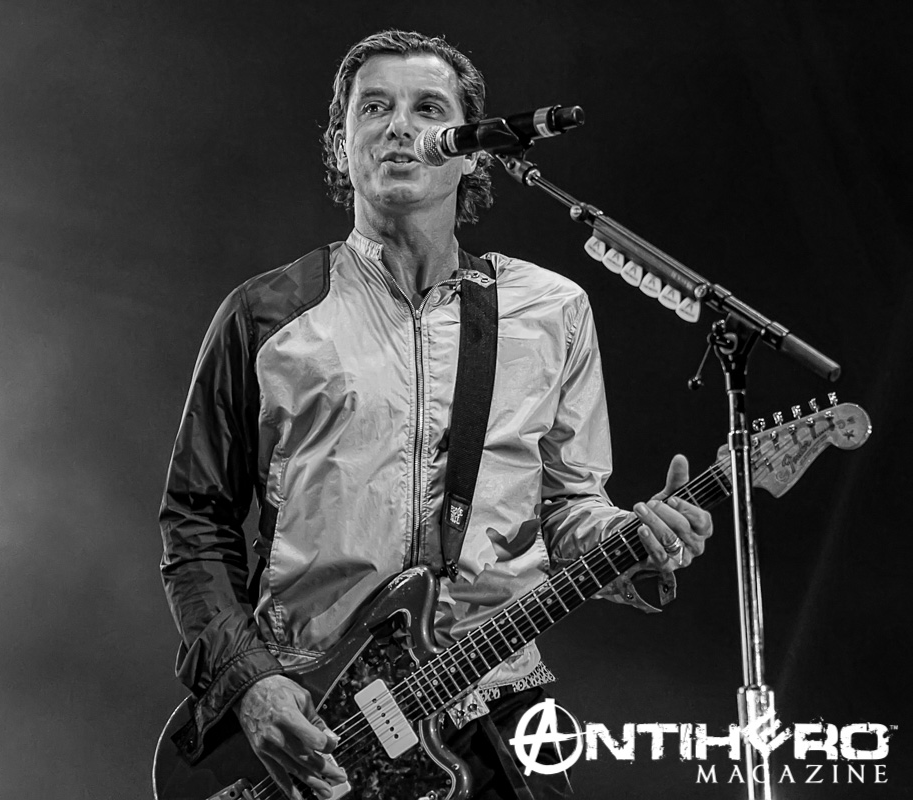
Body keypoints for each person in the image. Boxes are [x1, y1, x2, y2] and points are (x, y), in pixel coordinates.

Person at [159, 29, 713, 800]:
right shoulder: (266, 315)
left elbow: (567, 507)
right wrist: (250, 682)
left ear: (475, 151)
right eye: (374, 107)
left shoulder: (551, 311)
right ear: (340, 143)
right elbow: (195, 521)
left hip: (502, 709)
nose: (400, 126)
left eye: (427, 108)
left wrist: (633, 538)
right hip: (318, 721)